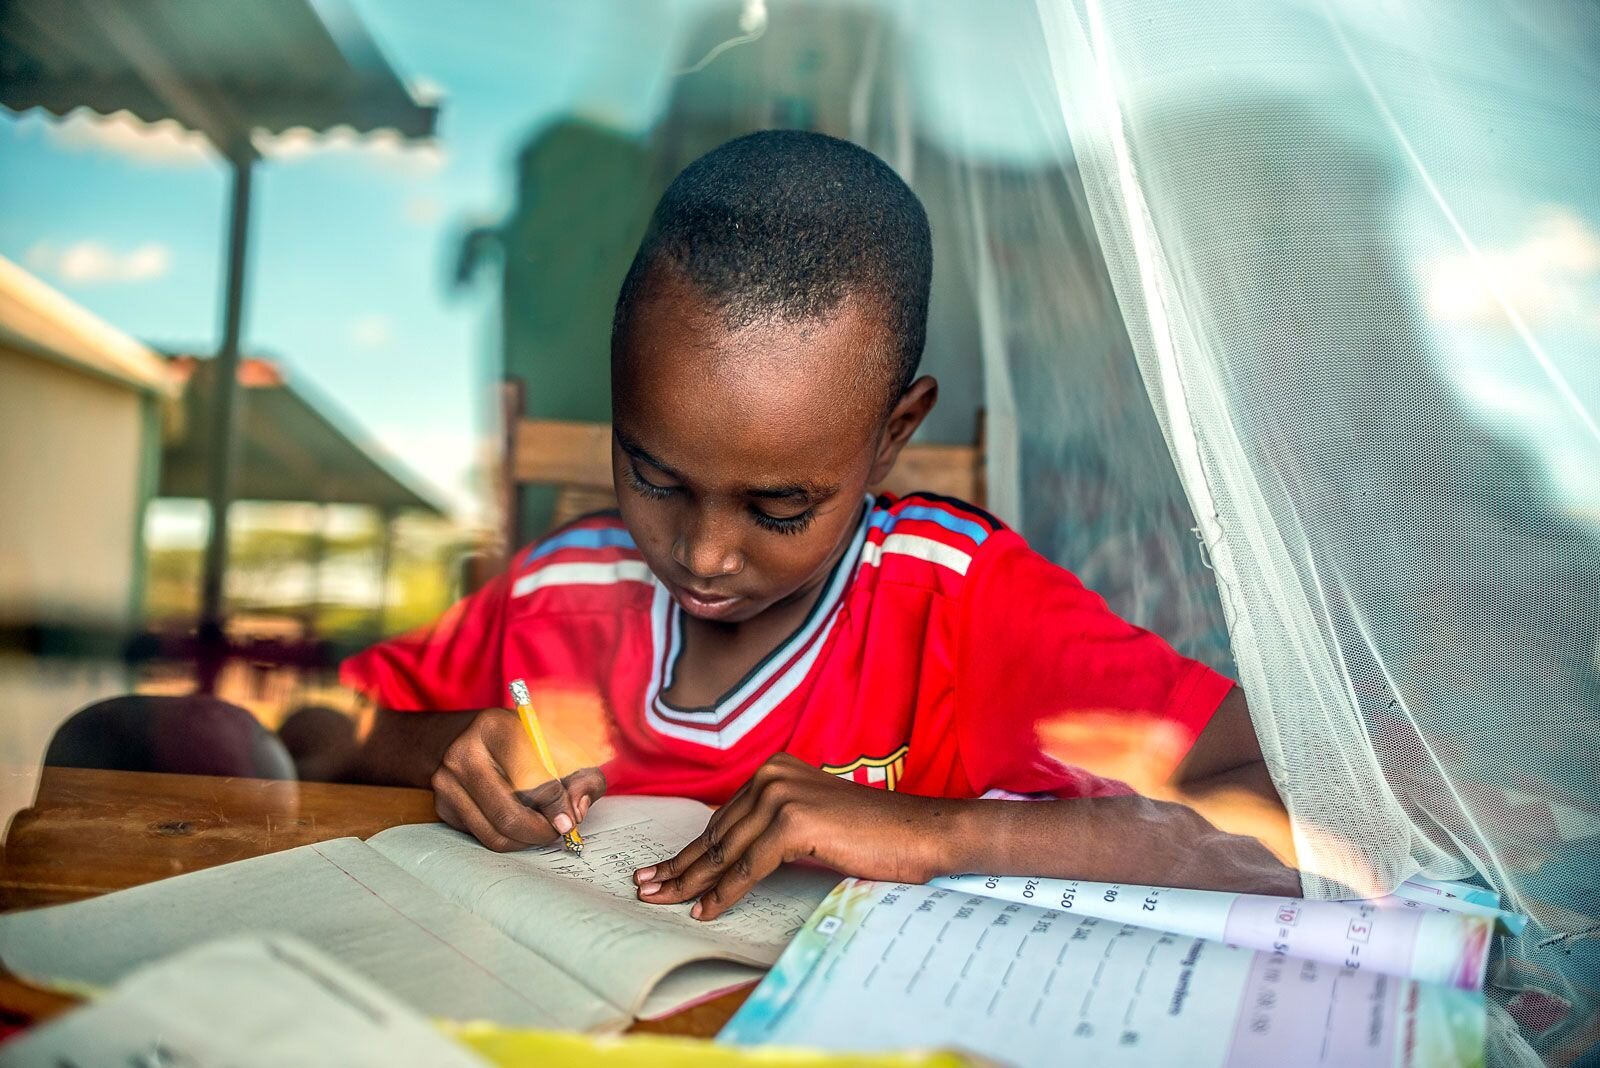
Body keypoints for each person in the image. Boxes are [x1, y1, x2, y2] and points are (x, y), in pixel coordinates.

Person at [341, 130, 1298, 921]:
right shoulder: (562, 591)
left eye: (781, 507)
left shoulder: (956, 605)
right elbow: (312, 732)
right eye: (654, 476)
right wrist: (449, 750)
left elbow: (1317, 816)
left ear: (893, 435)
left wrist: (934, 831)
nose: (704, 555)